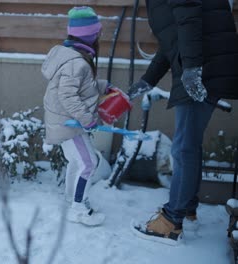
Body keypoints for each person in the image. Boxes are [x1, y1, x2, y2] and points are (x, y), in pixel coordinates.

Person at [130, 0, 238, 245]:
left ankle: (170, 221)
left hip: (204, 66)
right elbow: (175, 39)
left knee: (183, 148)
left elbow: (189, 22)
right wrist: (149, 79)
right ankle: (186, 208)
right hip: (201, 63)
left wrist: (192, 69)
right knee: (189, 143)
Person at [42, 6, 114, 226]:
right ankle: (78, 209)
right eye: (97, 33)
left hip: (65, 122)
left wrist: (101, 86)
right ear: (91, 35)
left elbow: (80, 86)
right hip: (70, 124)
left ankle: (72, 199)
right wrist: (87, 119)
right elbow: (68, 95)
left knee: (77, 161)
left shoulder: (72, 56)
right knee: (88, 163)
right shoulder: (77, 62)